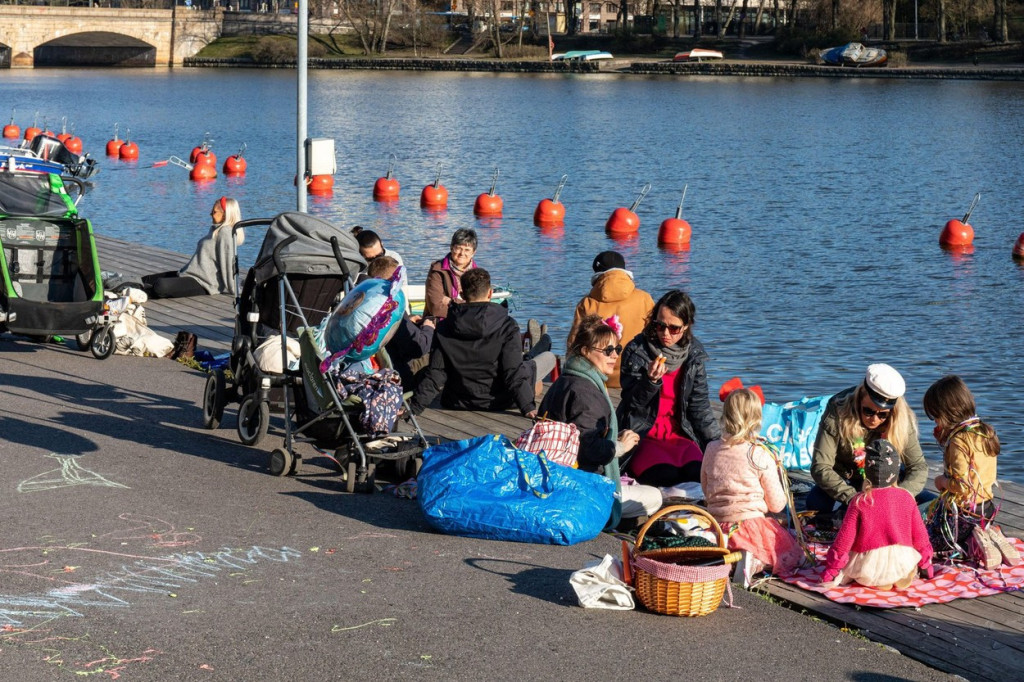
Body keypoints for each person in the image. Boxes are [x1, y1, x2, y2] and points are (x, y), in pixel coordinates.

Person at [539, 315, 662, 523]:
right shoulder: (586, 393)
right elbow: (589, 448)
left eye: (617, 349)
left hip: (553, 477)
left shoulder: (565, 380)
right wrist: (620, 446)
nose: (614, 356)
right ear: (586, 351)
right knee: (655, 497)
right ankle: (610, 517)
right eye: (607, 351)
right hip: (580, 488)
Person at [409, 268, 555, 418]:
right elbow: (513, 373)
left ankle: (531, 354)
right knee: (548, 358)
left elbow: (436, 373)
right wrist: (528, 407)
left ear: (461, 294)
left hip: (458, 400)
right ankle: (533, 352)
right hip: (501, 400)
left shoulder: (444, 327)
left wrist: (413, 408)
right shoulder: (507, 325)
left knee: (526, 365)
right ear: (490, 293)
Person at [617, 289, 720, 487]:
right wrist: (650, 382)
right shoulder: (637, 350)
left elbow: (699, 408)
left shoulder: (693, 356)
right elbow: (632, 403)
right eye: (660, 325)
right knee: (665, 475)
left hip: (679, 432)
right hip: (644, 432)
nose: (665, 334)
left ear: (686, 326)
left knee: (697, 473)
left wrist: (717, 445)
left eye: (673, 328)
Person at [807, 363, 931, 524]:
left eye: (883, 415)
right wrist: (854, 498)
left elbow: (918, 467)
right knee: (815, 504)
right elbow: (820, 467)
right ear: (859, 398)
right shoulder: (837, 410)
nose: (874, 419)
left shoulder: (901, 418)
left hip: (888, 483)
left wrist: (898, 498)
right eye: (869, 411)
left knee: (931, 505)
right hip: (846, 479)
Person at [701, 387, 803, 578]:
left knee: (724, 548)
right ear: (757, 419)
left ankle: (726, 555)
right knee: (792, 555)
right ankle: (754, 562)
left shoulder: (711, 448)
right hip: (751, 526)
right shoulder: (759, 453)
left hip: (719, 524)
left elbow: (706, 488)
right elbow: (777, 503)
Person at [819, 439, 934, 590]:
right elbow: (920, 537)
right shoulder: (906, 497)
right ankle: (899, 576)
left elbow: (844, 541)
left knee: (856, 563)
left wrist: (832, 570)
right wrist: (926, 565)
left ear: (867, 471)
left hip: (868, 564)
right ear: (896, 472)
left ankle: (880, 580)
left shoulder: (860, 500)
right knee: (906, 560)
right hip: (901, 560)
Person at [566, 250, 654, 388]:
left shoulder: (587, 303)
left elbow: (573, 345)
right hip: (636, 375)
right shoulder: (644, 299)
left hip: (596, 377)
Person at [143, 197, 243, 299]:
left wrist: (233, 288)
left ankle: (136, 291)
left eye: (214, 212)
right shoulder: (215, 229)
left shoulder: (225, 232)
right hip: (190, 275)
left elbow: (227, 263)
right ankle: (130, 286)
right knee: (147, 279)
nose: (210, 214)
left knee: (160, 285)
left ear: (225, 214)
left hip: (205, 283)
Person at [366, 256, 435, 389]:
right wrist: (428, 328)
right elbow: (418, 348)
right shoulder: (392, 308)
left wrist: (408, 321)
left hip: (375, 367)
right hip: (397, 374)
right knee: (438, 351)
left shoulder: (369, 301)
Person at [424, 228, 477, 318]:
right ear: (451, 248)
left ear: (473, 253)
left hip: (469, 323)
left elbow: (480, 305)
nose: (462, 253)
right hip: (441, 323)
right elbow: (435, 308)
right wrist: (467, 307)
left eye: (467, 250)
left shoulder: (478, 274)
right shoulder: (437, 270)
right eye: (458, 248)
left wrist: (450, 302)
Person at [351, 226, 407, 293]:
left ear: (382, 244)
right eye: (370, 259)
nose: (376, 260)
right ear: (359, 253)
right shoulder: (355, 264)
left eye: (379, 255)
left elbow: (403, 286)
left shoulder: (394, 257)